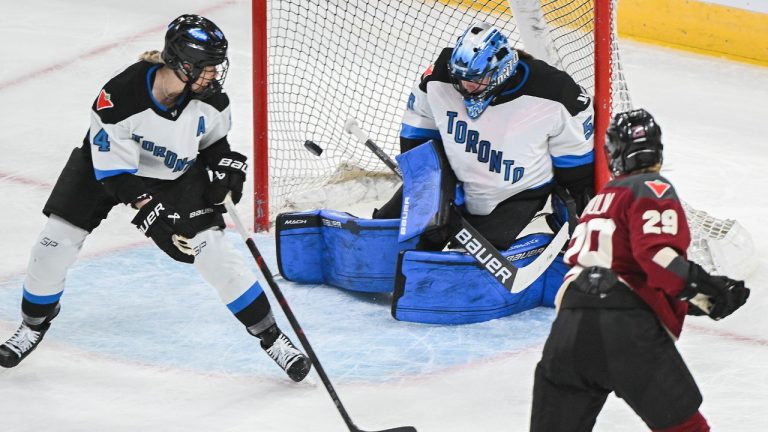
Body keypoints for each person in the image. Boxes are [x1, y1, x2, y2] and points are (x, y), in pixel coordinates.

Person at [0, 14, 311, 382]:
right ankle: (34, 324)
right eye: (207, 68)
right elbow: (113, 174)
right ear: (182, 63)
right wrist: (154, 216)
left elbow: (214, 143)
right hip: (106, 170)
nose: (214, 75)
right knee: (54, 243)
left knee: (216, 254)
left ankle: (272, 337)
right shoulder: (118, 98)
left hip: (174, 174)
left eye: (216, 67)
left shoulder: (212, 100)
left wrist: (227, 170)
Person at [530, 109, 750, 431]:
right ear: (657, 151)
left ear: (613, 155)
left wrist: (692, 299)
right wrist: (705, 287)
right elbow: (657, 259)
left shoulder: (599, 201)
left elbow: (617, 268)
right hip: (626, 332)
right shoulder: (652, 187)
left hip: (569, 329)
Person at [373, 22, 595, 250]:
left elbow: (576, 162)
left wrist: (575, 205)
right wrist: (430, 183)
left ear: (502, 70)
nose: (466, 87)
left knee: (463, 266)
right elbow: (418, 131)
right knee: (383, 238)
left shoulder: (555, 92)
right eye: (460, 79)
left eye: (476, 79)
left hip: (516, 196)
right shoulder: (440, 75)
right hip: (452, 182)